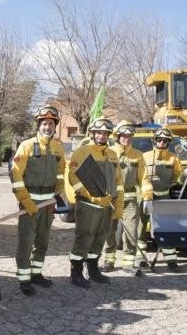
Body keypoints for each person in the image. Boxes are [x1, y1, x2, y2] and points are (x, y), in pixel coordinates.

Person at [9, 105, 66, 296]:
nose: (47, 127)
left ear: (55, 125)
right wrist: (25, 200)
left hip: (48, 204)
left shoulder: (58, 148)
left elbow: (60, 174)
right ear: (38, 125)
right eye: (44, 123)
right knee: (26, 242)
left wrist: (58, 194)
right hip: (30, 203)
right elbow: (15, 174)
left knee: (42, 241)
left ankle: (36, 273)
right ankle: (24, 279)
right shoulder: (26, 146)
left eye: (50, 123)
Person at [68, 117, 124, 288]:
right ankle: (76, 273)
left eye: (105, 133)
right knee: (84, 238)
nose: (101, 136)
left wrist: (118, 204)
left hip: (106, 206)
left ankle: (93, 270)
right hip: (88, 206)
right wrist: (90, 196)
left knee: (99, 239)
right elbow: (73, 178)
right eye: (98, 132)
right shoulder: (82, 152)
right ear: (92, 133)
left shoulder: (112, 154)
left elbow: (118, 181)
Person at [102, 120, 153, 275]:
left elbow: (144, 178)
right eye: (123, 136)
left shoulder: (137, 155)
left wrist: (147, 197)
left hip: (130, 200)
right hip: (111, 199)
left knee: (131, 231)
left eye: (129, 136)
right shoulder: (108, 153)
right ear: (117, 136)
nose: (127, 139)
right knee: (109, 231)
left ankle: (128, 263)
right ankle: (109, 261)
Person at [140, 128, 187, 270]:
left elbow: (179, 179)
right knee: (140, 228)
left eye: (165, 140)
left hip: (164, 197)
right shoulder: (144, 156)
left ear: (168, 142)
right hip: (145, 197)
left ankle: (171, 261)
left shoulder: (174, 158)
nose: (162, 142)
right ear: (154, 141)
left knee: (166, 228)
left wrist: (186, 175)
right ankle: (140, 259)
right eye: (159, 140)